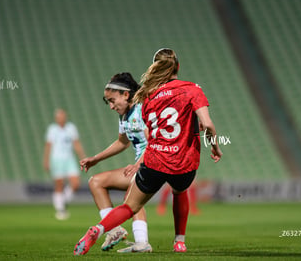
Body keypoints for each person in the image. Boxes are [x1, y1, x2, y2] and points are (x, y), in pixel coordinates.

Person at [74, 48, 222, 256]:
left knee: (129, 206)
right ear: (177, 67)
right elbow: (207, 124)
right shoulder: (191, 89)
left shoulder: (148, 97)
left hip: (154, 162)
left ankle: (99, 229)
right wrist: (214, 147)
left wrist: (139, 162)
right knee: (180, 192)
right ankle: (179, 241)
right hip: (183, 162)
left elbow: (153, 135)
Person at [79, 72, 152, 253]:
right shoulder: (125, 115)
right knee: (96, 182)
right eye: (108, 102)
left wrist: (140, 164)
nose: (111, 106)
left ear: (126, 94)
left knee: (132, 193)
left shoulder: (143, 109)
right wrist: (95, 159)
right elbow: (122, 142)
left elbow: (154, 141)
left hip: (154, 164)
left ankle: (142, 242)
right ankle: (115, 230)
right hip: (141, 165)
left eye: (112, 100)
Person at [43, 108, 86, 220]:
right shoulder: (52, 129)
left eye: (63, 116)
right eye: (59, 117)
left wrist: (83, 157)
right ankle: (60, 209)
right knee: (59, 184)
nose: (61, 118)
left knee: (76, 183)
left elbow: (76, 143)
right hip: (56, 159)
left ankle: (62, 202)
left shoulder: (71, 128)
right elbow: (48, 145)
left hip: (69, 159)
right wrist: (46, 160)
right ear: (56, 118)